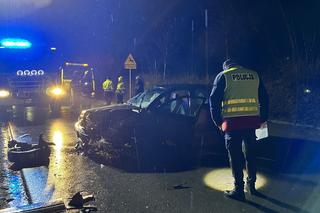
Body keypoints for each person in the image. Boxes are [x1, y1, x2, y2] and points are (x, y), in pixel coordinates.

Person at [209, 59, 269, 201]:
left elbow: (213, 101)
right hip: (251, 122)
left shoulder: (223, 76)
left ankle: (238, 189)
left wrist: (218, 122)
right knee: (250, 153)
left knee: (235, 156)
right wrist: (263, 118)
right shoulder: (254, 75)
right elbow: (264, 98)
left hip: (232, 123)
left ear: (226, 67)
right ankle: (252, 185)